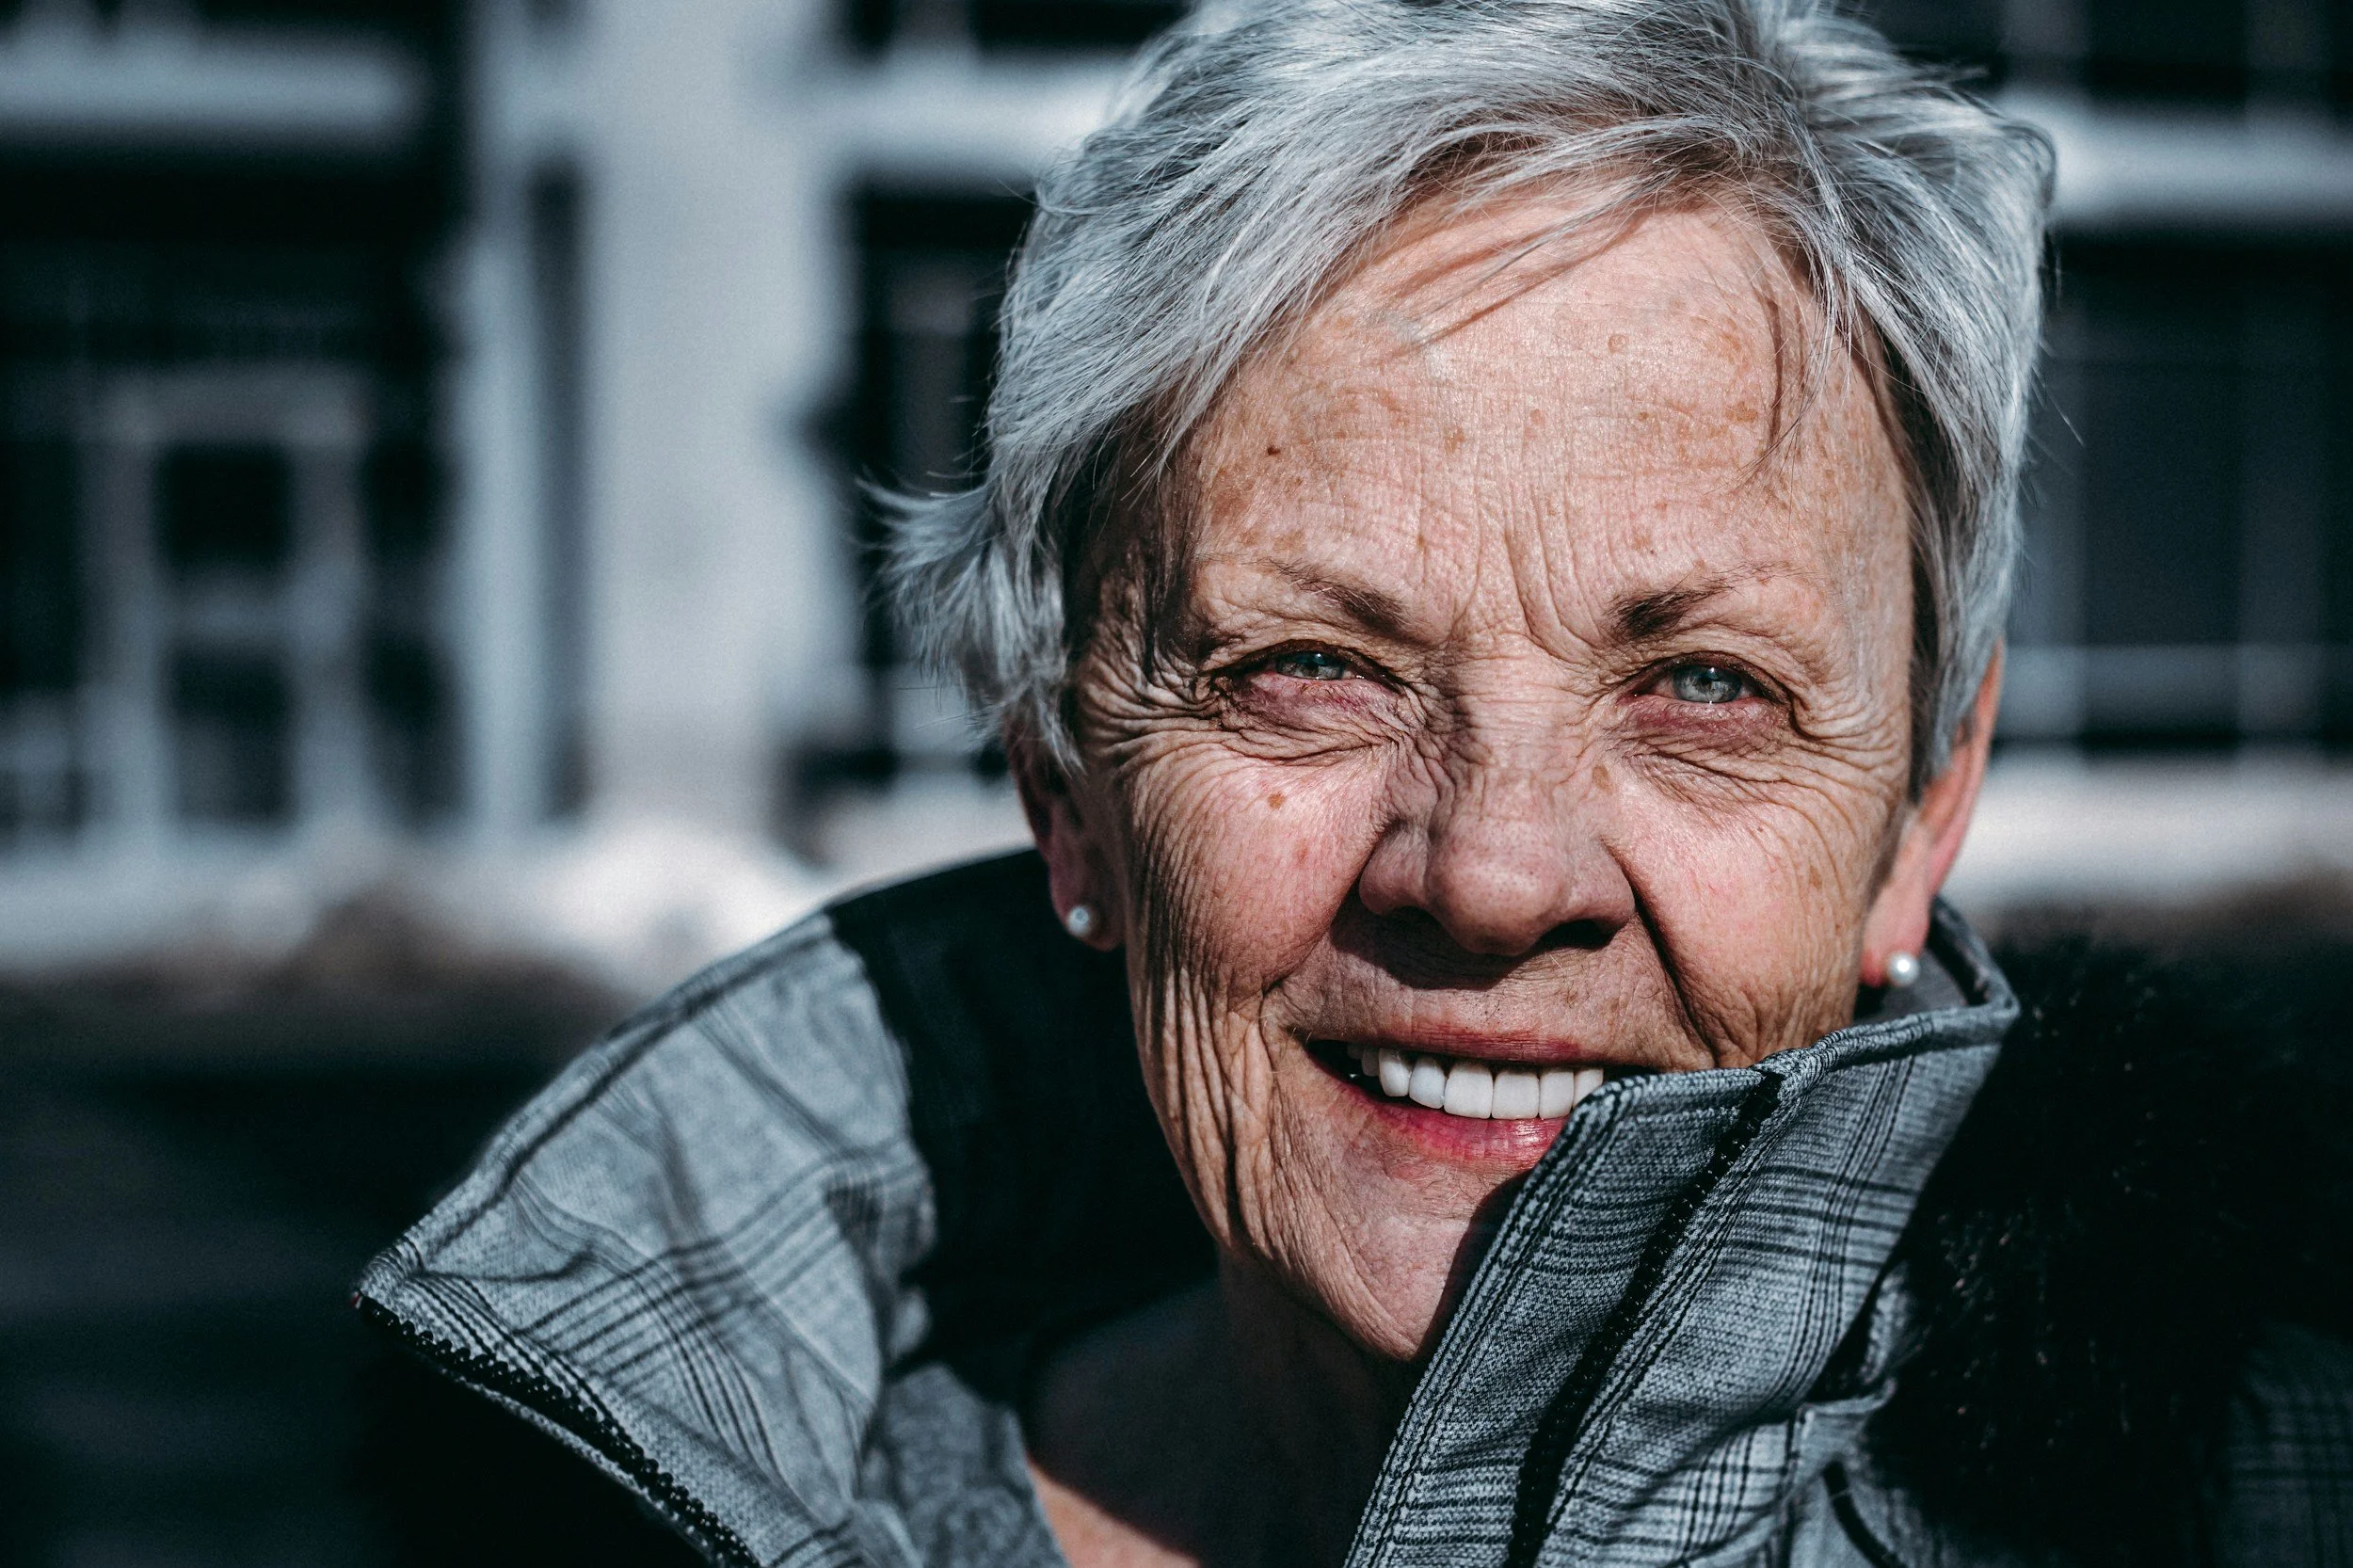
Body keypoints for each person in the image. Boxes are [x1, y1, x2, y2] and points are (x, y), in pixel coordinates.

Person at [359, 1, 2353, 1562]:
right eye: (1306, 667)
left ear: (1921, 809)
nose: (1487, 871)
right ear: (1065, 777)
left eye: (1701, 688)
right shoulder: (621, 1512)